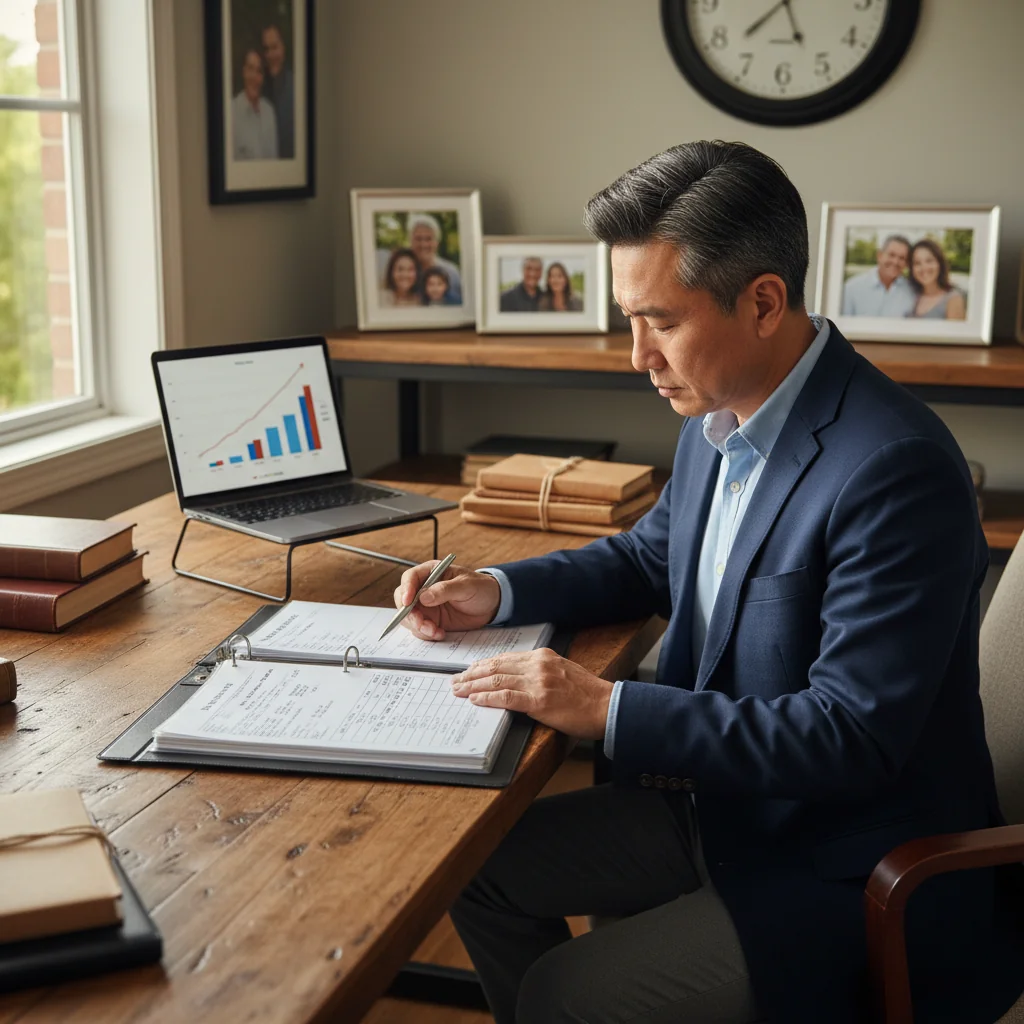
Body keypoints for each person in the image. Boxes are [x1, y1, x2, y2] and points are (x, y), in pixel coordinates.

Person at [393, 141, 1024, 1024]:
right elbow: (653, 557)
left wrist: (605, 708)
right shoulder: (719, 407)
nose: (637, 355)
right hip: (720, 807)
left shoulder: (895, 468)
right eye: (630, 319)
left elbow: (849, 737)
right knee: (472, 871)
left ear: (763, 302)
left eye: (660, 322)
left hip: (841, 862)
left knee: (560, 995)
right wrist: (495, 591)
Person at [840, 234, 916, 317]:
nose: (895, 262)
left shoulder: (911, 291)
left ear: (906, 263)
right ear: (879, 256)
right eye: (891, 255)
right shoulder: (851, 288)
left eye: (902, 258)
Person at [232, 48, 278, 161]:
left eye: (259, 71)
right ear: (244, 72)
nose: (254, 77)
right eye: (250, 69)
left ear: (263, 77)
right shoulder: (231, 112)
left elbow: (274, 161)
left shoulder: (269, 111)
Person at [407, 213, 463, 303]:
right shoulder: (403, 275)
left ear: (437, 242)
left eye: (428, 239)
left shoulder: (451, 273)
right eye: (418, 239)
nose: (423, 244)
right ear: (410, 242)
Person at [908, 238, 967, 320]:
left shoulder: (953, 299)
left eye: (929, 261)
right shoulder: (912, 296)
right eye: (917, 263)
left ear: (939, 263)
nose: (924, 267)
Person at [261, 23, 294, 159]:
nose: (270, 55)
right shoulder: (259, 89)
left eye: (274, 47)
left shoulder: (296, 88)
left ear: (283, 48)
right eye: (266, 49)